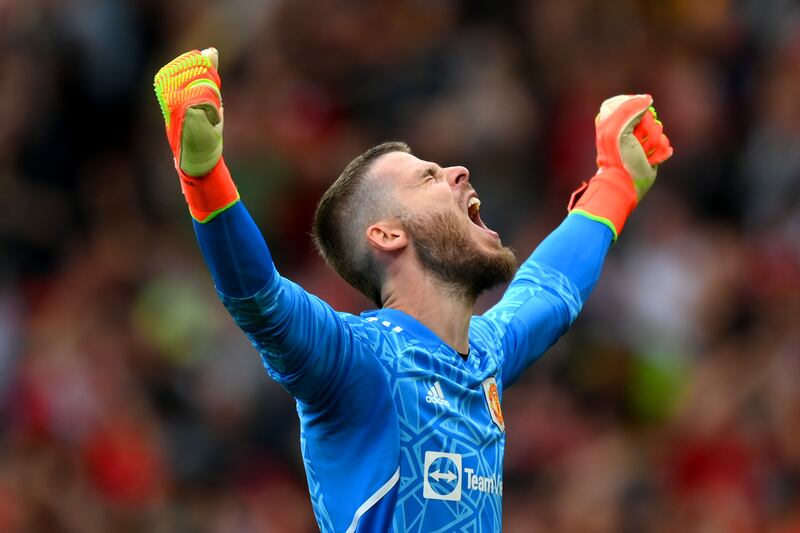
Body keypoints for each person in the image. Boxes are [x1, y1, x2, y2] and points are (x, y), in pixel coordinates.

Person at [153, 48, 673, 532]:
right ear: (386, 234)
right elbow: (261, 300)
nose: (459, 171)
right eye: (428, 178)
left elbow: (549, 292)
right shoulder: (360, 361)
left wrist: (616, 181)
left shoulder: (483, 357)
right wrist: (203, 172)